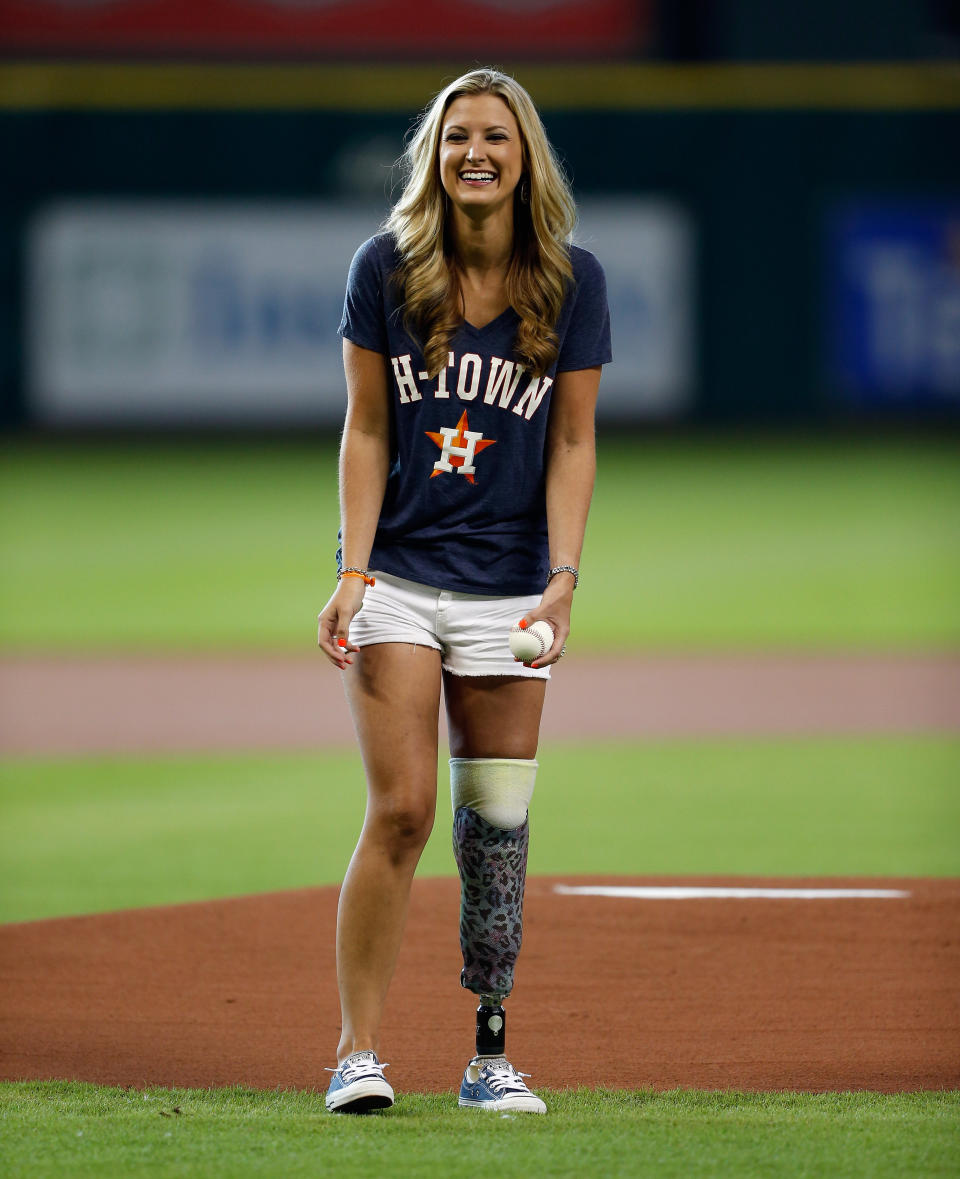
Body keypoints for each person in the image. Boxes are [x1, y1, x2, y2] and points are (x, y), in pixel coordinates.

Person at [317, 67, 611, 1115]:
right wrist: (350, 570)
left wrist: (563, 580)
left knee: (497, 828)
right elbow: (364, 425)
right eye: (455, 139)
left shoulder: (572, 281)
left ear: (525, 154)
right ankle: (357, 1050)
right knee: (401, 810)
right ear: (433, 159)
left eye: (494, 135)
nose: (473, 153)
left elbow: (573, 439)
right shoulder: (385, 269)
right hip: (398, 576)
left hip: (507, 596)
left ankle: (490, 1056)